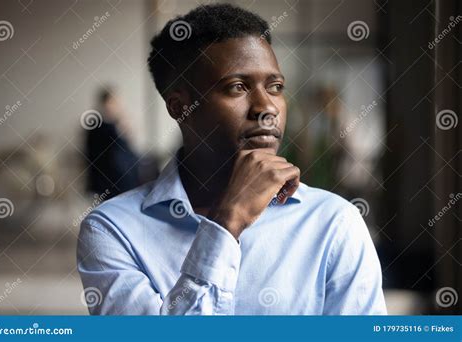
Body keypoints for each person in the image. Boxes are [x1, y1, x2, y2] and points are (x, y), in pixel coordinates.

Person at [77, 4, 387, 315]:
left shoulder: (334, 223)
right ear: (180, 107)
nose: (266, 107)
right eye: (237, 87)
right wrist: (226, 223)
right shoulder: (114, 229)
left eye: (275, 87)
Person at [85, 87, 141, 199]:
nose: (118, 106)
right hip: (109, 182)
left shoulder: (112, 124)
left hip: (120, 181)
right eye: (114, 102)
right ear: (106, 103)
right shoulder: (98, 125)